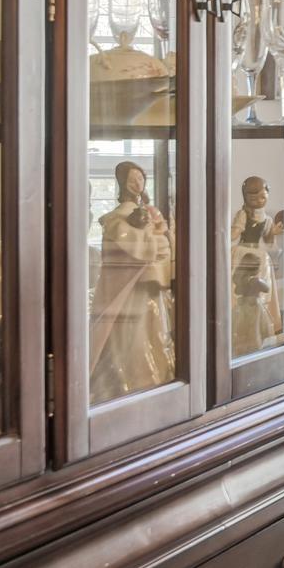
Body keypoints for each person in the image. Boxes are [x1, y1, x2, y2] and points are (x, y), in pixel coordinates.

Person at [89, 160, 175, 403]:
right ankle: (132, 380)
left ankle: (156, 376)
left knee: (155, 330)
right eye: (133, 179)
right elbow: (142, 249)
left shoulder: (151, 212)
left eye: (141, 179)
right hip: (128, 291)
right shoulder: (116, 219)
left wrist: (158, 235)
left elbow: (165, 247)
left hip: (150, 288)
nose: (138, 184)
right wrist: (152, 237)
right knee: (129, 337)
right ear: (122, 183)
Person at [230, 176, 284, 355]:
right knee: (240, 289)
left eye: (262, 197)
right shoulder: (243, 215)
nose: (259, 201)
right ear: (246, 197)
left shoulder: (268, 218)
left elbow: (269, 242)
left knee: (263, 291)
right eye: (254, 198)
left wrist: (275, 233)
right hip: (243, 253)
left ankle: (262, 325)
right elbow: (235, 233)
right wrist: (232, 233)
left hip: (260, 256)